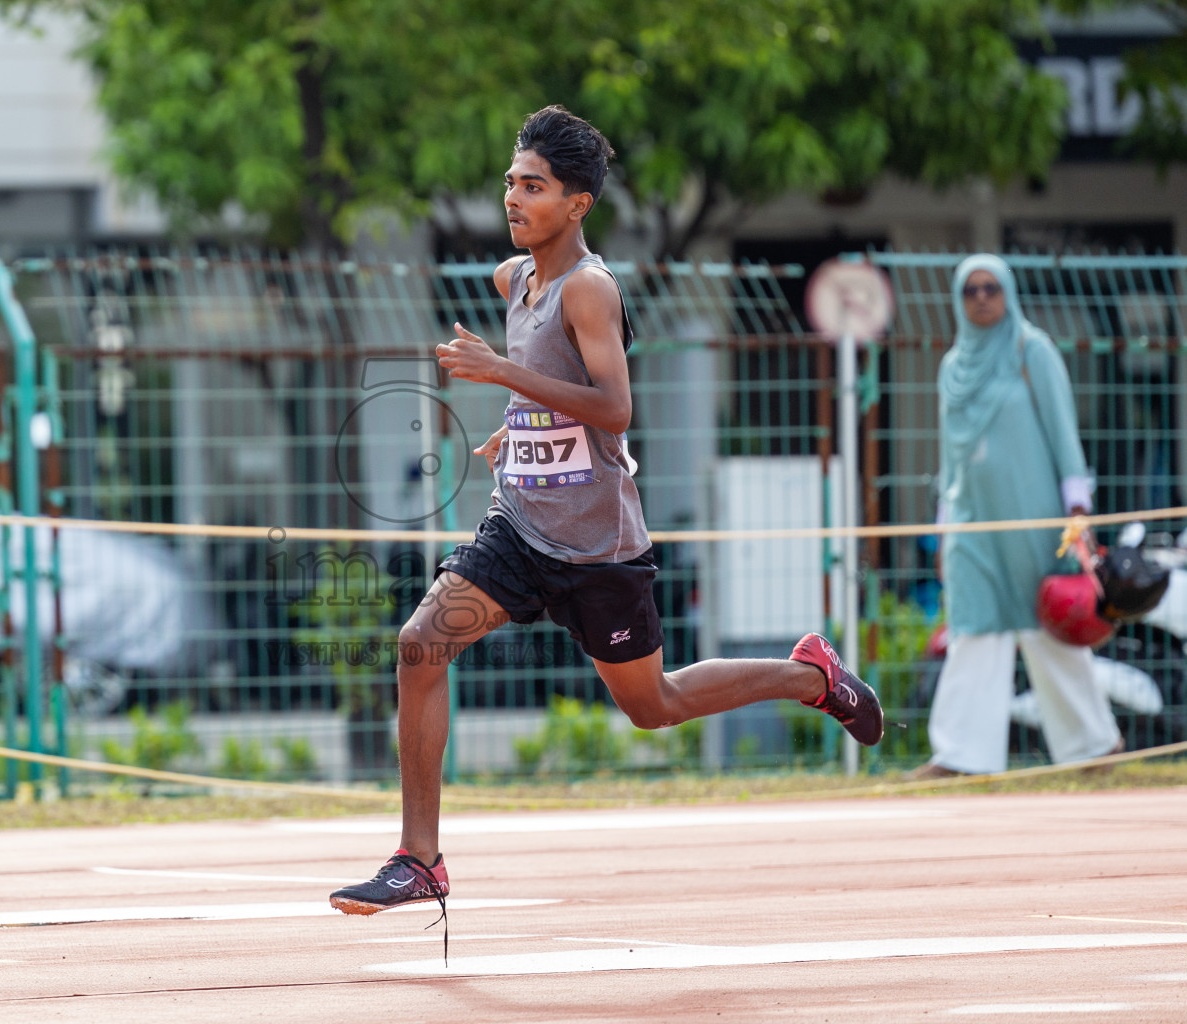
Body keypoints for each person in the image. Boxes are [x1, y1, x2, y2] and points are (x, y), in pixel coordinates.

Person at [328, 106, 883, 920]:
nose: (513, 198)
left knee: (651, 706)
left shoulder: (589, 289)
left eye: (534, 186)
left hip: (598, 549)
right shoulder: (513, 280)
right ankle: (420, 861)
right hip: (518, 527)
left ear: (578, 203)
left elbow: (614, 409)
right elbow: (556, 398)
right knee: (420, 646)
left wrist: (503, 379)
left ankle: (811, 676)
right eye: (512, 182)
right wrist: (512, 436)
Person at [911, 254, 1121, 779]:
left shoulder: (1034, 351)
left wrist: (1078, 515)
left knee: (1048, 627)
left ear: (1008, 293)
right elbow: (950, 458)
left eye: (992, 288)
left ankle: (1094, 747)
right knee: (973, 630)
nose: (982, 298)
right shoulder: (952, 368)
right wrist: (943, 529)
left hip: (1033, 522)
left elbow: (1064, 435)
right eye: (970, 290)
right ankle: (960, 758)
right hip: (971, 523)